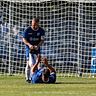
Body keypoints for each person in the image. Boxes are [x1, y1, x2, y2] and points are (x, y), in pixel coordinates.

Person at [23, 18, 45, 83]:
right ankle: (28, 78)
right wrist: (29, 45)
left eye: (35, 24)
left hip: (37, 49)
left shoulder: (41, 31)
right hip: (29, 49)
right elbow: (24, 39)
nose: (33, 25)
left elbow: (42, 40)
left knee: (38, 63)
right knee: (29, 63)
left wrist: (37, 46)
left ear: (38, 24)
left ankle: (37, 77)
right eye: (32, 24)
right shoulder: (27, 30)